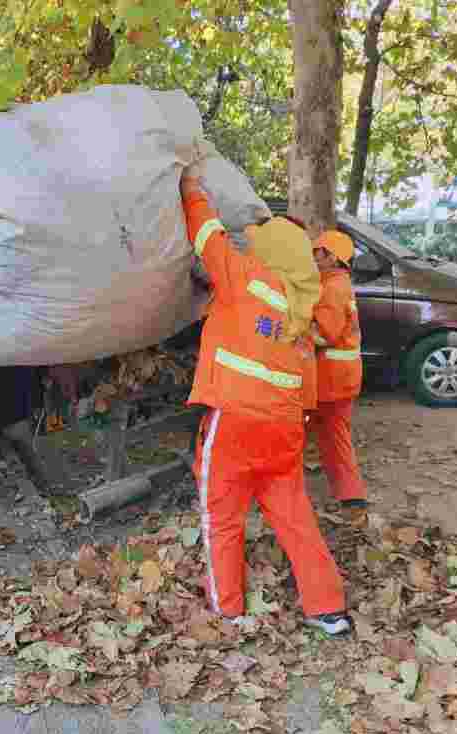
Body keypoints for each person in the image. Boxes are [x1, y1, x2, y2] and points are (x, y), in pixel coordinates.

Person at [181, 167, 350, 636]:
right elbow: (309, 391)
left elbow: (207, 233)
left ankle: (227, 610)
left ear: (269, 253)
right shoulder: (301, 313)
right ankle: (327, 609)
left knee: (222, 517)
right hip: (284, 432)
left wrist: (191, 186)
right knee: (295, 517)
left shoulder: (243, 278)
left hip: (233, 424)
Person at [309, 230, 368, 525]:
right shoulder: (335, 283)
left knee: (335, 437)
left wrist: (290, 329)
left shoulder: (333, 288)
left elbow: (324, 335)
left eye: (317, 251)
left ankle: (353, 501)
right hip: (337, 377)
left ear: (332, 258)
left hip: (333, 379)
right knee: (329, 434)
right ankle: (347, 496)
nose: (312, 255)